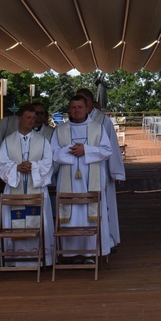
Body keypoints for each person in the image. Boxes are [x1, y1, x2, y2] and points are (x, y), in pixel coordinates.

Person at [51, 95, 113, 259]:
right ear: (69, 110)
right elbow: (52, 154)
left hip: (91, 182)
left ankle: (91, 253)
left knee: (90, 215)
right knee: (71, 217)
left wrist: (86, 150)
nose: (76, 110)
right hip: (67, 180)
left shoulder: (98, 128)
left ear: (87, 109)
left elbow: (107, 150)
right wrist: (72, 152)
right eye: (73, 107)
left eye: (80, 107)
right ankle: (69, 254)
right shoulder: (60, 130)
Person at [0, 104, 55, 266]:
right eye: (28, 117)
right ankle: (16, 260)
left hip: (37, 188)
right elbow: (1, 164)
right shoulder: (8, 141)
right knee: (15, 222)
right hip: (16, 189)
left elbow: (49, 163)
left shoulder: (42, 141)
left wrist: (33, 167)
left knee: (40, 221)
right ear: (19, 119)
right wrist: (16, 167)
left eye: (34, 118)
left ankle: (40, 259)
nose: (31, 121)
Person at [76, 88, 125, 249]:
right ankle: (83, 244)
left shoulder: (102, 121)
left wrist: (116, 172)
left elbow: (112, 146)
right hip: (77, 174)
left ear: (90, 104)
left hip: (100, 169)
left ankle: (107, 239)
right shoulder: (72, 122)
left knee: (104, 206)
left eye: (84, 102)